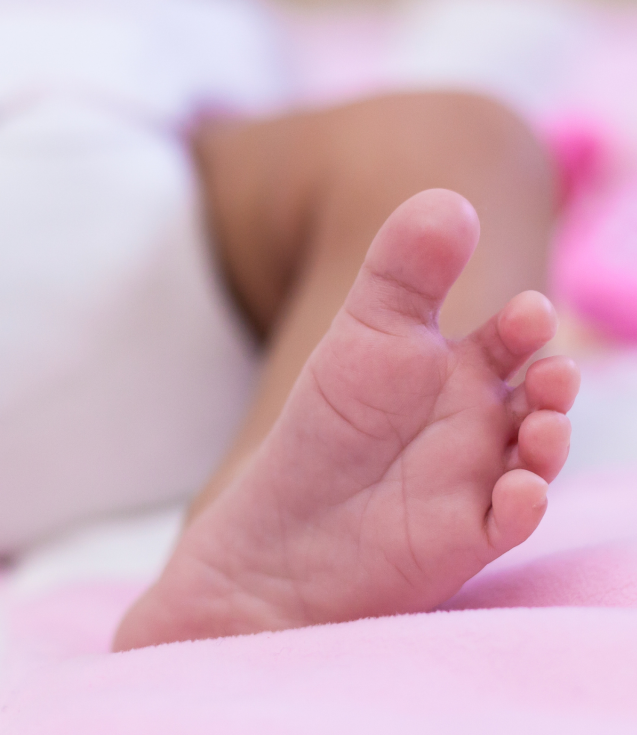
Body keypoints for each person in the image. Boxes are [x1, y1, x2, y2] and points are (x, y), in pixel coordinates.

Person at [106, 92, 581, 650]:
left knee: (439, 174)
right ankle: (257, 533)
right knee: (447, 139)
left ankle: (255, 536)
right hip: (109, 164)